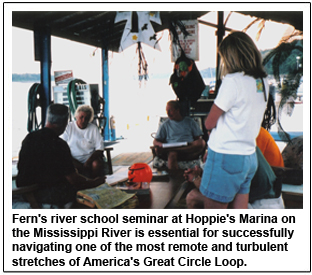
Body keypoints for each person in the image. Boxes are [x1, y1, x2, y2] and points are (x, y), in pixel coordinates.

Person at [197, 31, 269, 209]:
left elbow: (209, 123)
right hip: (248, 157)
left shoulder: (233, 81)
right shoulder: (262, 81)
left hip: (226, 157)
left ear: (230, 57)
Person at [16, 104, 105, 207]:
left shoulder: (29, 138)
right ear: (65, 123)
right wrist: (94, 183)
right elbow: (74, 180)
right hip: (46, 194)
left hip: (25, 192)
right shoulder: (59, 145)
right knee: (88, 199)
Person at [153, 100, 206, 169]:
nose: (168, 113)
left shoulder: (190, 122)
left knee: (202, 142)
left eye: (170, 110)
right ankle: (175, 178)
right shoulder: (165, 125)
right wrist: (159, 144)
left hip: (188, 147)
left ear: (177, 110)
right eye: (167, 111)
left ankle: (177, 149)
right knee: (172, 154)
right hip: (172, 148)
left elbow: (197, 139)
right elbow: (155, 141)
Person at [61, 105, 105, 178]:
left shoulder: (93, 128)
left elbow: (100, 148)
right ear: (76, 116)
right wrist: (74, 161)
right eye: (81, 117)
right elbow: (62, 146)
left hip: (89, 158)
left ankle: (95, 183)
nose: (83, 120)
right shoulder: (69, 127)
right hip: (73, 159)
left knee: (97, 164)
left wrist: (88, 162)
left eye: (86, 118)